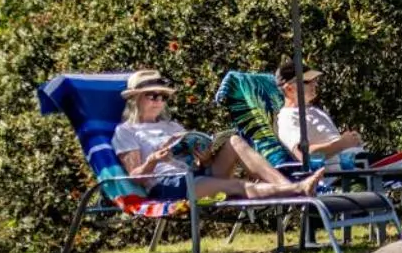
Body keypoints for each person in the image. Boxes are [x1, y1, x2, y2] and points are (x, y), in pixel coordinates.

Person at [112, 69, 324, 201]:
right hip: (169, 185)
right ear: (136, 99)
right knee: (236, 185)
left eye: (163, 97)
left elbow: (198, 162)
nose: (159, 101)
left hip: (195, 176)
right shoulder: (127, 131)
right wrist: (153, 160)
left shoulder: (172, 126)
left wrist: (204, 157)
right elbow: (136, 177)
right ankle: (297, 189)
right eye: (153, 96)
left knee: (233, 141)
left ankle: (288, 186)